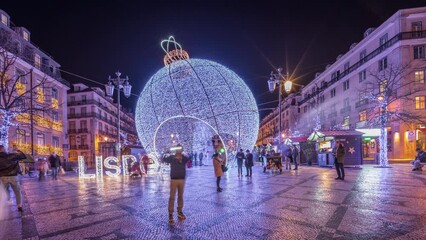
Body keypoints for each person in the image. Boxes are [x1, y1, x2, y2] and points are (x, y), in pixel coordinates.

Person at [163, 144, 190, 224]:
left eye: (180, 149)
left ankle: (180, 212)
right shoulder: (171, 157)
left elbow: (189, 158)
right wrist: (167, 151)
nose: (178, 151)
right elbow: (164, 159)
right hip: (174, 180)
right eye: (177, 149)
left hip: (182, 179)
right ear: (175, 150)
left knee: (180, 196)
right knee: (172, 197)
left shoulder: (184, 158)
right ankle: (170, 214)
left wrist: (184, 154)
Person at [0, 145, 26, 212]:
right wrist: (18, 150)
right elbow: (23, 156)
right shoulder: (12, 155)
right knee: (17, 192)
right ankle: (19, 206)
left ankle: (4, 205)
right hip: (13, 177)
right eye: (5, 148)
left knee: (3, 192)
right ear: (2, 149)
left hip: (2, 177)